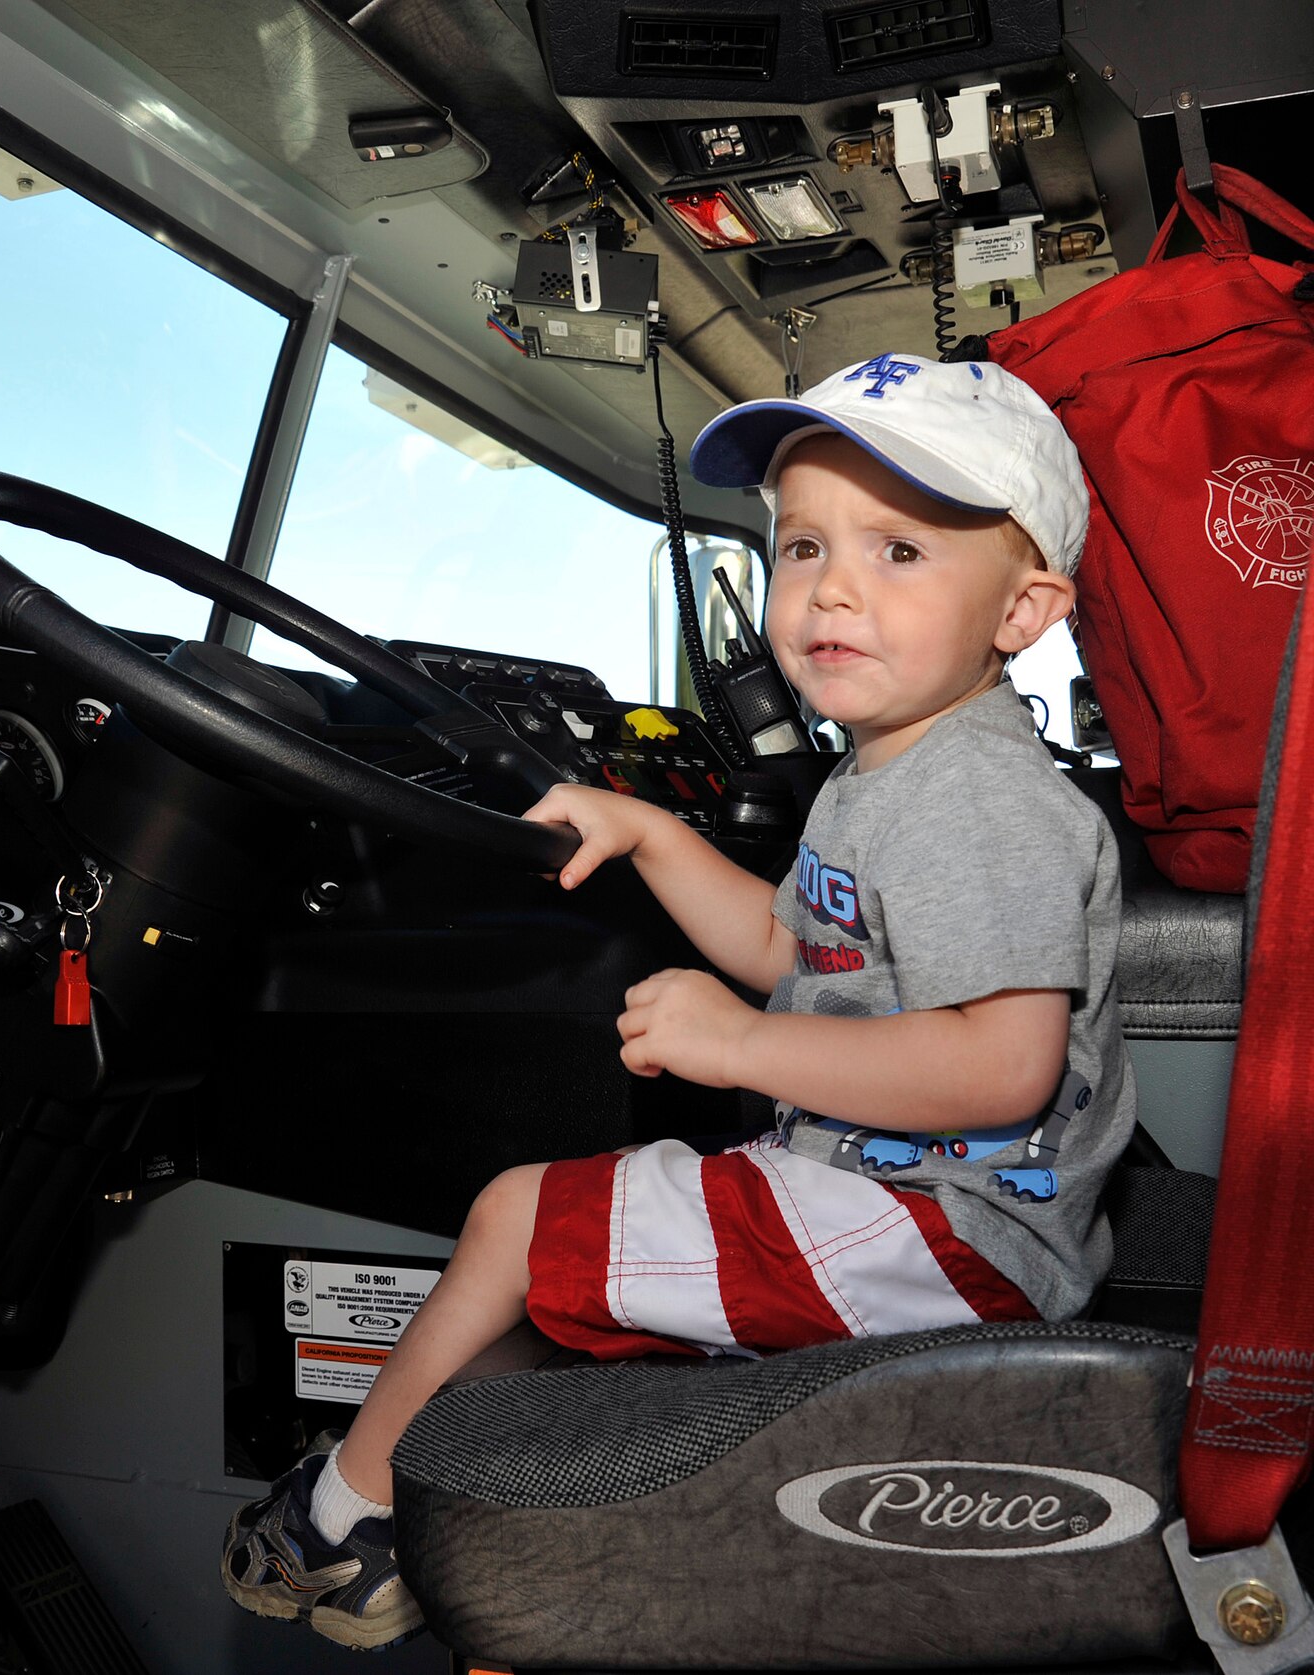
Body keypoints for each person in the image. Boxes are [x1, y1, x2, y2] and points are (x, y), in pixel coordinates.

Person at [221, 353, 1135, 1652]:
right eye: (804, 544)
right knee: (553, 1255)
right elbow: (788, 945)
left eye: (902, 552)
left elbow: (1001, 1071)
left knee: (514, 1215)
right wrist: (651, 835)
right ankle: (419, 1472)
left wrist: (743, 1042)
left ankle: (347, 1527)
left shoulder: (972, 801)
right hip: (921, 1203)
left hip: (946, 1230)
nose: (832, 588)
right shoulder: (894, 770)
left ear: (1024, 608)